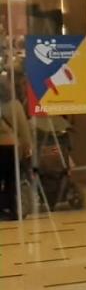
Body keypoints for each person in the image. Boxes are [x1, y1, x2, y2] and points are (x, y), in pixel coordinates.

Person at [0, 76, 33, 220]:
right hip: (11, 147)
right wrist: (27, 147)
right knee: (12, 180)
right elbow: (23, 129)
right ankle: (14, 209)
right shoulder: (15, 105)